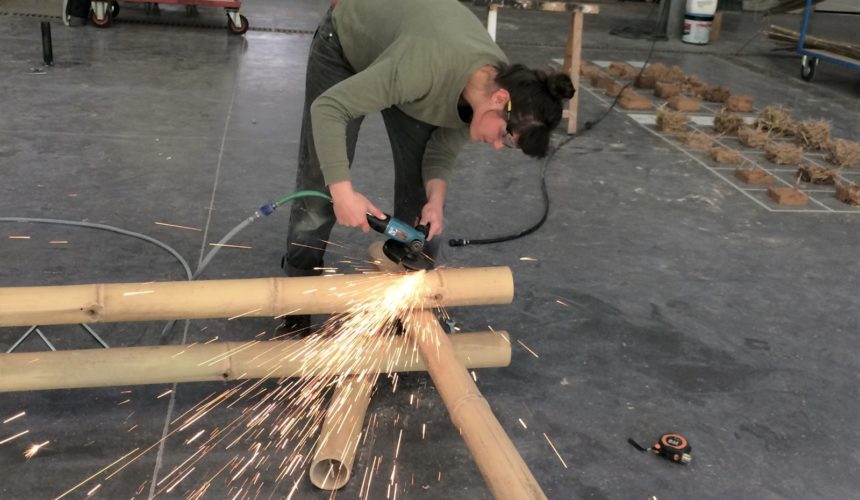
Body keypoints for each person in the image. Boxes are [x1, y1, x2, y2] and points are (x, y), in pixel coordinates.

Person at [281, 0, 575, 333]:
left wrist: (435, 201)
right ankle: (297, 294)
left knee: (420, 199)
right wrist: (342, 192)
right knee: (322, 183)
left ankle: (406, 304)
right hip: (348, 43)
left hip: (406, 60)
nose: (497, 145)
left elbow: (441, 148)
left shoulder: (494, 89)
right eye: (505, 137)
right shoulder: (426, 66)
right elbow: (329, 108)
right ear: (499, 100)